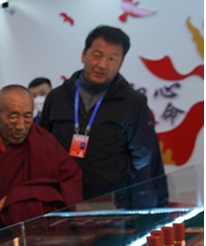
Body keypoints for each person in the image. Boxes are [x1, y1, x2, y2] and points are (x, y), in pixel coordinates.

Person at [39, 25, 167, 205]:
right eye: (97, 55)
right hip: (62, 199)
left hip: (111, 202)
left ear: (121, 63)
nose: (102, 65)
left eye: (112, 58)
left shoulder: (132, 101)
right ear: (84, 55)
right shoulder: (57, 97)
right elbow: (44, 146)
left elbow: (142, 155)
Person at [0, 85, 83, 229]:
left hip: (37, 231)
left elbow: (71, 185)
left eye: (27, 116)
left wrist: (14, 200)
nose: (21, 126)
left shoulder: (44, 143)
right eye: (13, 117)